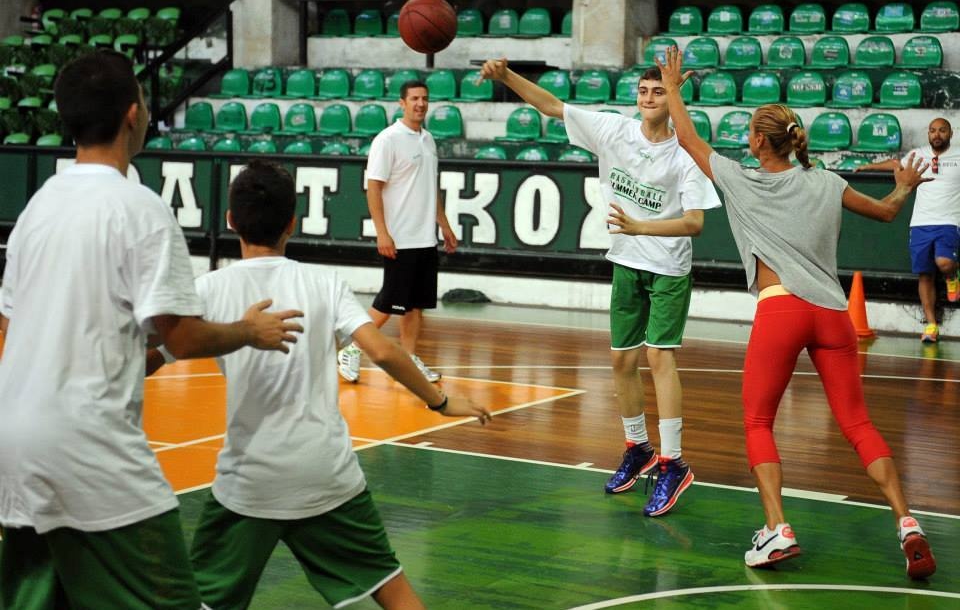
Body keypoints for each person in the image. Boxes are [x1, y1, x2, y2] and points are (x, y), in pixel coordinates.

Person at [0, 51, 304, 608]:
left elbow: (12, 331)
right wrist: (247, 331)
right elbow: (181, 337)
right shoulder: (138, 209)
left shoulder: (35, 211)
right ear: (133, 115)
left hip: (15, 445)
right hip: (90, 450)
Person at [656, 45, 937, 579]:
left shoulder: (742, 178)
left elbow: (689, 140)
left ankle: (777, 530)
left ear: (761, 141)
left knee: (758, 421)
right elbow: (885, 212)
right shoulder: (827, 182)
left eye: (750, 133)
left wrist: (672, 88)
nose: (746, 139)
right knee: (857, 422)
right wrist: (903, 186)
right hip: (833, 314)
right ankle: (907, 522)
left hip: (782, 309)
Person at [177, 159, 491, 609]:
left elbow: (155, 354)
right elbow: (382, 351)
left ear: (229, 221)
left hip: (249, 484)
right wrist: (441, 402)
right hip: (326, 474)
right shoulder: (323, 282)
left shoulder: (206, 290)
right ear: (293, 223)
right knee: (394, 590)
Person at [480, 58, 720, 516]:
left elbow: (694, 222)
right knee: (621, 361)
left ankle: (673, 462)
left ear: (673, 99)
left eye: (658, 91)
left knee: (659, 356)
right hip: (627, 262)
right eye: (644, 91)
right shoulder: (614, 131)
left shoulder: (686, 154)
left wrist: (640, 228)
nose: (649, 98)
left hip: (667, 267)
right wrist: (506, 76)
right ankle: (638, 448)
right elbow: (552, 106)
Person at [338, 79, 458, 384]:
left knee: (415, 305)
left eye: (425, 99)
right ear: (402, 103)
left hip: (424, 237)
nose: (420, 104)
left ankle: (410, 358)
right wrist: (382, 232)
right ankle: (351, 348)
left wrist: (443, 224)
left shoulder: (428, 140)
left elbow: (431, 188)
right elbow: (373, 187)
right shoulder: (387, 140)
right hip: (399, 236)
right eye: (414, 98)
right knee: (389, 302)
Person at [855, 118, 960, 343]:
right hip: (920, 223)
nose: (937, 135)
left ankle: (953, 274)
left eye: (942, 130)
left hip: (949, 220)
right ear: (928, 134)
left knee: (944, 263)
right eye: (932, 131)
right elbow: (896, 164)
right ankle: (931, 325)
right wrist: (868, 166)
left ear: (950, 133)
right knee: (925, 273)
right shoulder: (918, 154)